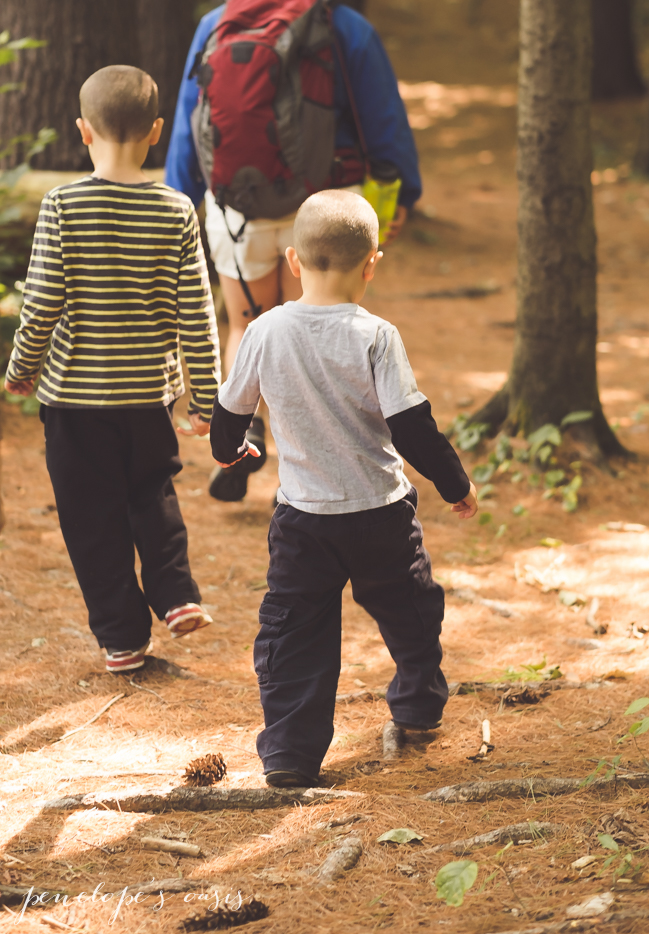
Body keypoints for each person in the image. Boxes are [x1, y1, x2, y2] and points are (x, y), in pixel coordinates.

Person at [209, 190, 478, 788]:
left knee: (294, 628)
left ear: (293, 261)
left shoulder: (265, 330)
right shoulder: (377, 335)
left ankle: (289, 754)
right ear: (371, 264)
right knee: (410, 611)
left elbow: (230, 415)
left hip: (303, 519)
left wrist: (230, 453)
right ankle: (418, 702)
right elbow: (412, 424)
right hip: (381, 513)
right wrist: (454, 483)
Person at [4, 65, 221, 674]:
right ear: (156, 131)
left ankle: (123, 637)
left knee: (89, 516)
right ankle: (176, 595)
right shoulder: (176, 210)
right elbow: (197, 318)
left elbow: (42, 300)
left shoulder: (63, 206)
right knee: (151, 493)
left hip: (74, 404)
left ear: (82, 131)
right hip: (148, 398)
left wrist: (21, 367)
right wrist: (207, 399)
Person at [165, 0, 422, 502]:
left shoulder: (215, 25)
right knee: (327, 328)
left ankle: (243, 434)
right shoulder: (344, 27)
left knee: (246, 324)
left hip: (238, 205)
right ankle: (324, 466)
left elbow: (189, 121)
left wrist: (185, 195)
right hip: (324, 202)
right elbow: (383, 119)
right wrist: (401, 194)